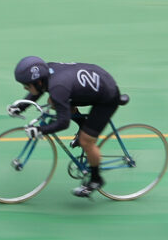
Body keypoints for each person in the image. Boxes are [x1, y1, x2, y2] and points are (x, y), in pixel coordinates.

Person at [11, 56, 119, 198]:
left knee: (87, 141)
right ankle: (83, 125)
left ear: (38, 82)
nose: (25, 88)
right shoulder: (46, 75)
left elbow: (63, 122)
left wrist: (40, 130)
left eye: (26, 85)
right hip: (93, 83)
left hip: (107, 97)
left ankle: (96, 179)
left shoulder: (57, 87)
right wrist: (21, 107)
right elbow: (37, 91)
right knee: (54, 101)